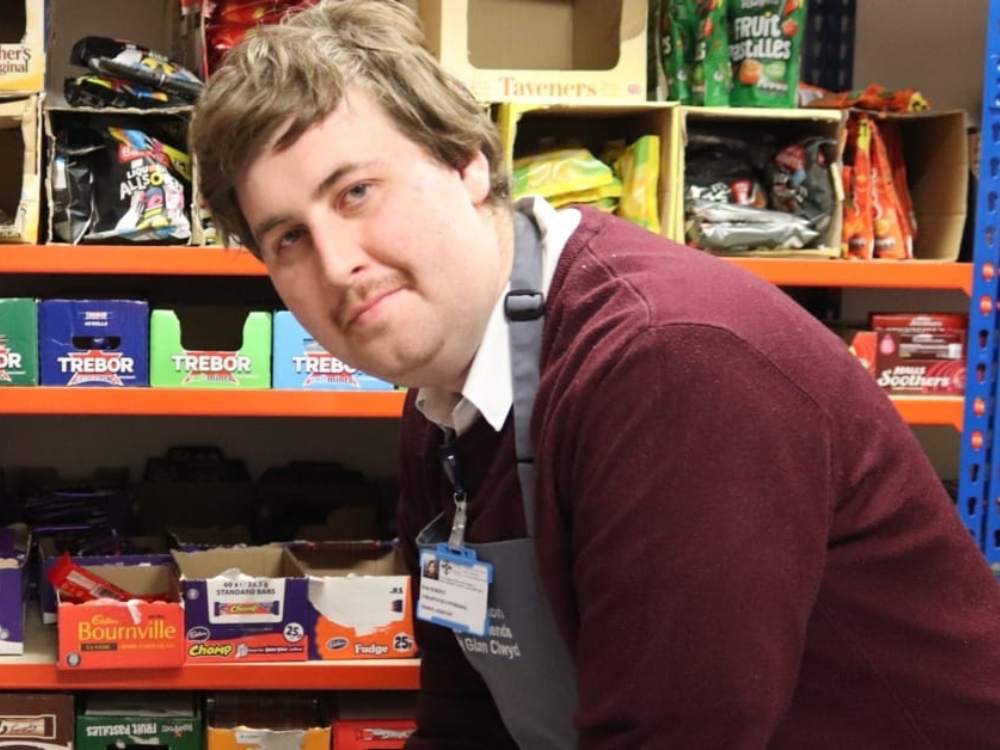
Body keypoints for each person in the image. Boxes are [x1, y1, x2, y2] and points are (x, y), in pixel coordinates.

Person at [191, 1, 1000, 747]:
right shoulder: (448, 397)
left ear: (467, 162)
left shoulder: (667, 365)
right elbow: (466, 723)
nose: (339, 264)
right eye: (288, 238)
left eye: (357, 192)